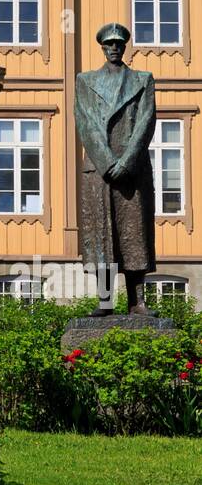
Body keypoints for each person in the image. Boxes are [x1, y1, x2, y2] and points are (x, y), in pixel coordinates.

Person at [74, 22, 156, 314]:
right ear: (102, 47)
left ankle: (138, 302)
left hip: (133, 170)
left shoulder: (143, 80)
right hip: (99, 171)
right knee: (102, 237)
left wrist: (127, 162)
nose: (113, 48)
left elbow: (146, 121)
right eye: (109, 44)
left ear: (124, 47)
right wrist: (108, 163)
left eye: (118, 44)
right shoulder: (85, 81)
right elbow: (86, 123)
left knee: (135, 234)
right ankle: (105, 301)